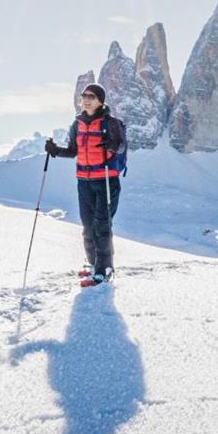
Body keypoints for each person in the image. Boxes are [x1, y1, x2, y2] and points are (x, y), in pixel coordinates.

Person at [45, 83, 127, 285]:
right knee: (87, 225)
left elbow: (121, 145)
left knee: (102, 226)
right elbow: (73, 151)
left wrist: (112, 145)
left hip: (106, 180)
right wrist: (55, 150)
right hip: (84, 181)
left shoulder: (111, 123)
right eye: (84, 95)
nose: (86, 99)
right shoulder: (77, 125)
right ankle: (93, 264)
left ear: (100, 100)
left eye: (92, 96)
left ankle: (104, 269)